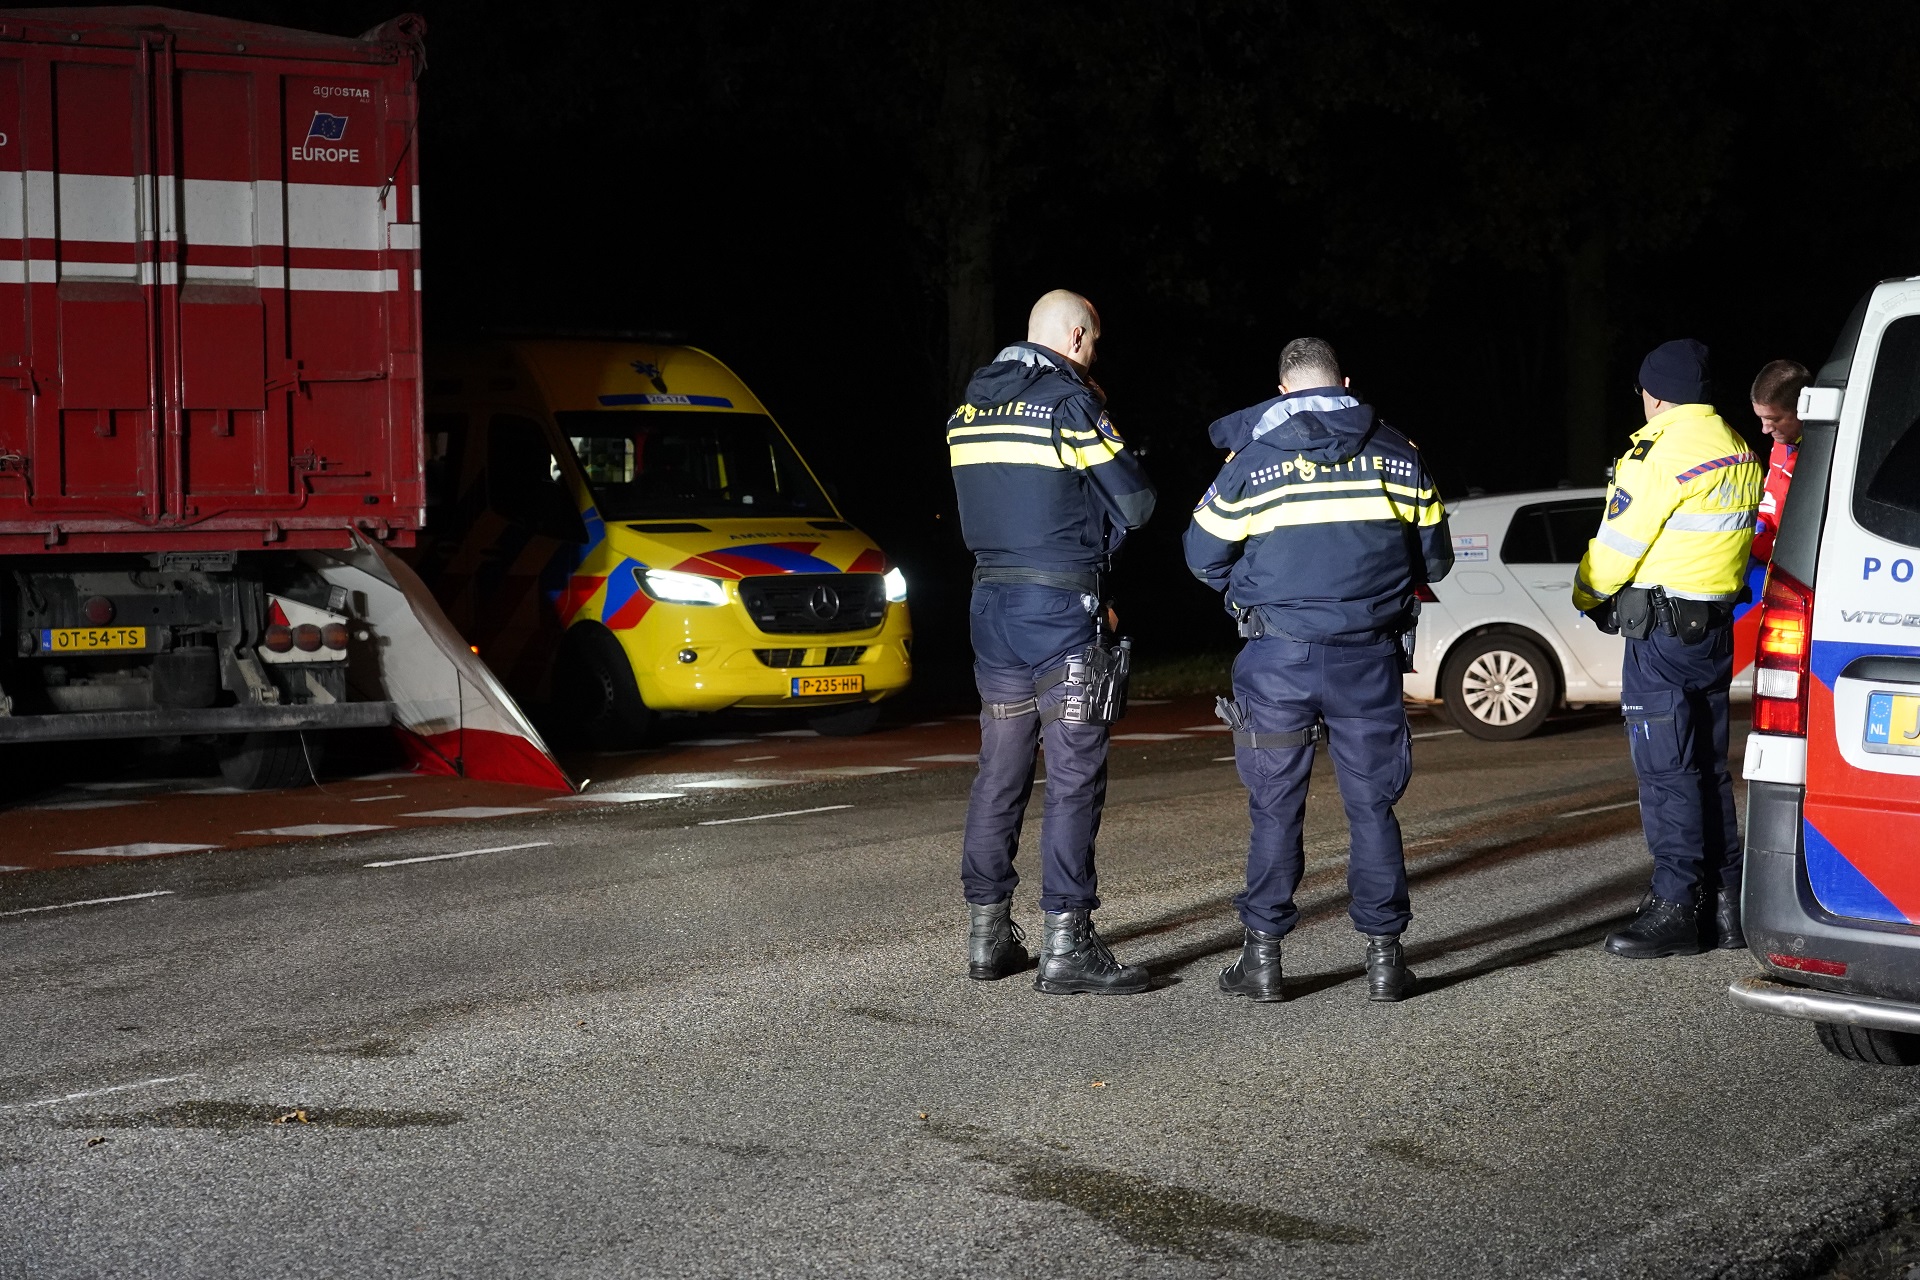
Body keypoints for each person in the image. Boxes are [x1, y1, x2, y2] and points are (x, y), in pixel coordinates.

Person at [1184, 338, 1451, 1003]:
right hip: (1368, 658)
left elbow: (1200, 554)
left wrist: (1248, 589)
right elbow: (1436, 560)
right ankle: (1386, 961)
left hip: (1278, 658)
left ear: (1281, 392)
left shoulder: (1252, 463)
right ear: (1346, 384)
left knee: (1274, 807)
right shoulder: (1397, 453)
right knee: (1373, 807)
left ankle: (1263, 960)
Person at [946, 289, 1157, 996]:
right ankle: (1068, 942)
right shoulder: (1071, 407)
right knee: (1073, 777)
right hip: (1060, 608)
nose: (1093, 355)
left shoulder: (967, 410)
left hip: (989, 608)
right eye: (1091, 344)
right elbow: (1136, 503)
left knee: (999, 771)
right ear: (1074, 337)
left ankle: (987, 938)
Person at [1571, 339, 1764, 958]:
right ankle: (1730, 907)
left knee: (1666, 773)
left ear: (1655, 394)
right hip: (1711, 630)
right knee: (1707, 770)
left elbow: (1617, 548)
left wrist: (1585, 594)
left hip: (1658, 635)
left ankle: (1676, 907)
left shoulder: (1657, 454)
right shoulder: (1737, 448)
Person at [1749, 359, 1810, 564]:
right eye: (1761, 419)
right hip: (1768, 551)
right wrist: (1759, 526)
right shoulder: (1782, 444)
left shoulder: (1824, 455)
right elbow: (1771, 498)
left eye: (1773, 419)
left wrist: (1760, 545)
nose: (1765, 429)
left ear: (1802, 410)